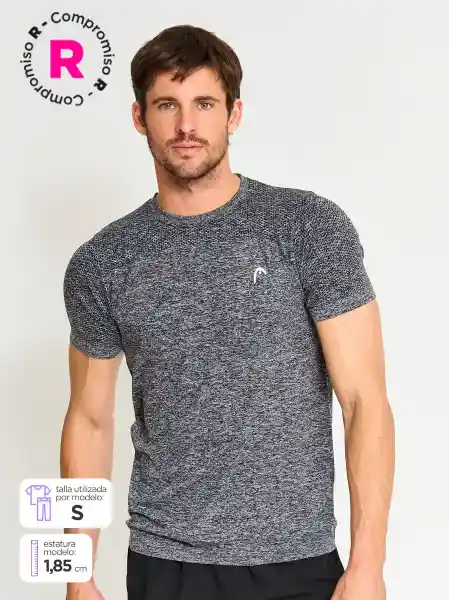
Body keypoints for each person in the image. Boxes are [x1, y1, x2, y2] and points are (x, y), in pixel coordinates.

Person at [62, 24, 395, 600]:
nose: (186, 126)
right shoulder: (103, 262)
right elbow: (88, 420)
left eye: (205, 104)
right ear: (140, 118)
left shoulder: (307, 228)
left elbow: (365, 401)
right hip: (165, 563)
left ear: (233, 114)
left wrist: (369, 565)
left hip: (297, 561)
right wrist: (74, 573)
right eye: (167, 104)